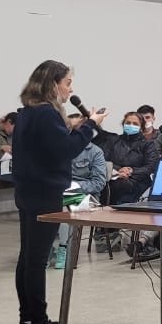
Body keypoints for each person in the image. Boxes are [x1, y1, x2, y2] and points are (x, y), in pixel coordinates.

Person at [12, 60, 104, 324]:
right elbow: (66, 150)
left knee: (28, 257)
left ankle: (27, 319)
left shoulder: (28, 112)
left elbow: (49, 147)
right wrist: (90, 126)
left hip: (28, 191)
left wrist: (74, 127)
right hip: (44, 193)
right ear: (53, 84)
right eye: (67, 83)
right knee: (37, 259)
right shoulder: (46, 114)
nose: (70, 89)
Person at [103, 112, 162, 261]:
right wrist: (119, 170)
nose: (130, 126)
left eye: (135, 124)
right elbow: (105, 161)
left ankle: (138, 240)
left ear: (141, 127)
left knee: (128, 190)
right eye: (128, 123)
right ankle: (107, 232)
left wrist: (131, 171)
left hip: (138, 182)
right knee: (109, 189)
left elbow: (151, 166)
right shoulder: (114, 141)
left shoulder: (148, 144)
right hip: (115, 179)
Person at [55, 113, 108, 269]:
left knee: (64, 207)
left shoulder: (95, 152)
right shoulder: (61, 149)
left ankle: (64, 248)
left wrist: (72, 186)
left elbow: (98, 183)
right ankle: (48, 248)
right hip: (61, 194)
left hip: (89, 200)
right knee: (44, 205)